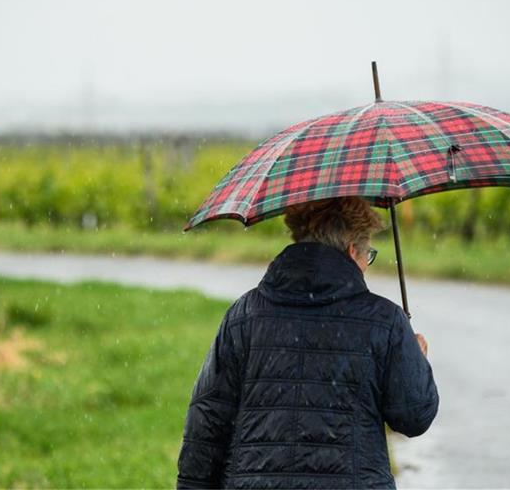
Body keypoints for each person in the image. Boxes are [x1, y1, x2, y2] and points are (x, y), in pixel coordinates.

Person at [176, 197, 439, 489]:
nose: (367, 264)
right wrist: (416, 361)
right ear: (353, 252)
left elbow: (207, 424)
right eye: (369, 255)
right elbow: (414, 417)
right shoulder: (385, 321)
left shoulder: (245, 315)